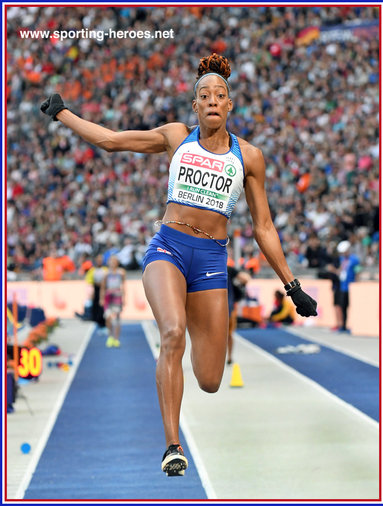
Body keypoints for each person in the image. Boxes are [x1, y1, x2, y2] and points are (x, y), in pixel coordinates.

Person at [41, 53, 317, 476]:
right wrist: (63, 114)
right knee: (172, 333)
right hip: (167, 248)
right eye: (203, 94)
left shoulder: (251, 158)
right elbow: (113, 141)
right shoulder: (175, 137)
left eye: (219, 95)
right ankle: (172, 445)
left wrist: (291, 285)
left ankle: (185, 342)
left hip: (210, 259)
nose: (211, 100)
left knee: (209, 379)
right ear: (195, 105)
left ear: (229, 106)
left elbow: (263, 226)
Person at [227, 264, 251, 364]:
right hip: (229, 306)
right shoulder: (228, 269)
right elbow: (246, 279)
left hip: (214, 307)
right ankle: (229, 357)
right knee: (228, 334)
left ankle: (216, 358)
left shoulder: (206, 266)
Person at [99, 255, 126, 348]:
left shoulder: (121, 272)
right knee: (108, 317)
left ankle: (116, 339)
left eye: (114, 261)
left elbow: (123, 285)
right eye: (111, 261)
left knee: (117, 318)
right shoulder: (106, 273)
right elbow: (102, 287)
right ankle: (110, 337)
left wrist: (124, 297)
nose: (113, 263)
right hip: (108, 296)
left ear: (117, 262)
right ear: (108, 262)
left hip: (117, 295)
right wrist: (101, 298)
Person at [336, 240, 360, 333]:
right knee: (343, 307)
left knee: (351, 307)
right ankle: (344, 325)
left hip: (351, 286)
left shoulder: (354, 259)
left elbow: (357, 271)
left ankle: (351, 325)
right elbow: (341, 269)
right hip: (343, 286)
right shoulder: (342, 259)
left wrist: (356, 284)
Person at [86, 254, 108, 331]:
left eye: (100, 260)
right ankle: (97, 322)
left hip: (104, 290)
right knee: (96, 306)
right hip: (96, 290)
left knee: (103, 307)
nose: (99, 261)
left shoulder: (105, 269)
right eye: (98, 260)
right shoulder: (92, 270)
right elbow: (89, 281)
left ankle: (103, 322)